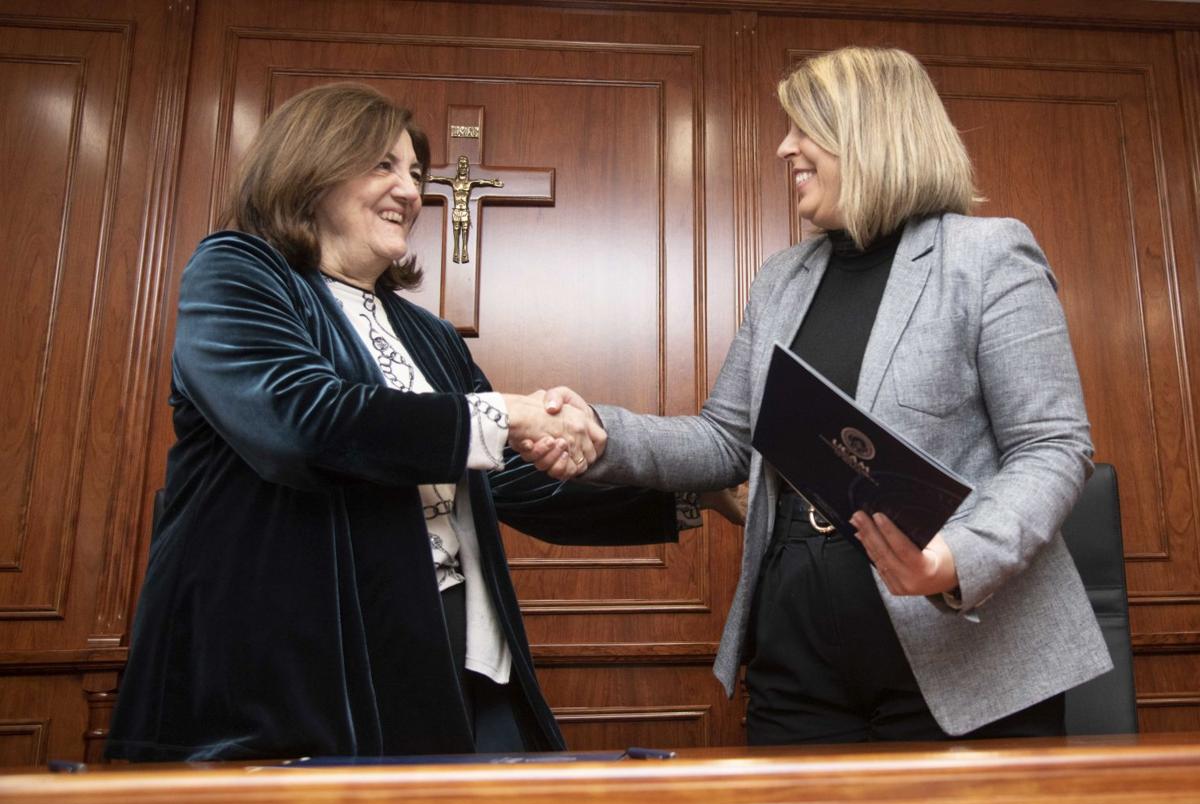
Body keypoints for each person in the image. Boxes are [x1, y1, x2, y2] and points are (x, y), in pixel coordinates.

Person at [531, 46, 1112, 743]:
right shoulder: (782, 278)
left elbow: (1051, 445)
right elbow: (726, 440)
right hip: (798, 656)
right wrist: (602, 431)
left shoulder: (987, 256)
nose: (785, 149)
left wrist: (951, 561)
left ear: (871, 133)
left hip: (966, 660)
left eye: (804, 128)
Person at [105, 82, 699, 762]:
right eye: (383, 165)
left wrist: (690, 493)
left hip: (456, 657)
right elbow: (300, 421)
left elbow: (508, 478)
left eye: (416, 173)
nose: (412, 191)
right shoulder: (237, 271)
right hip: (294, 682)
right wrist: (505, 412)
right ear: (310, 167)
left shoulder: (431, 336)